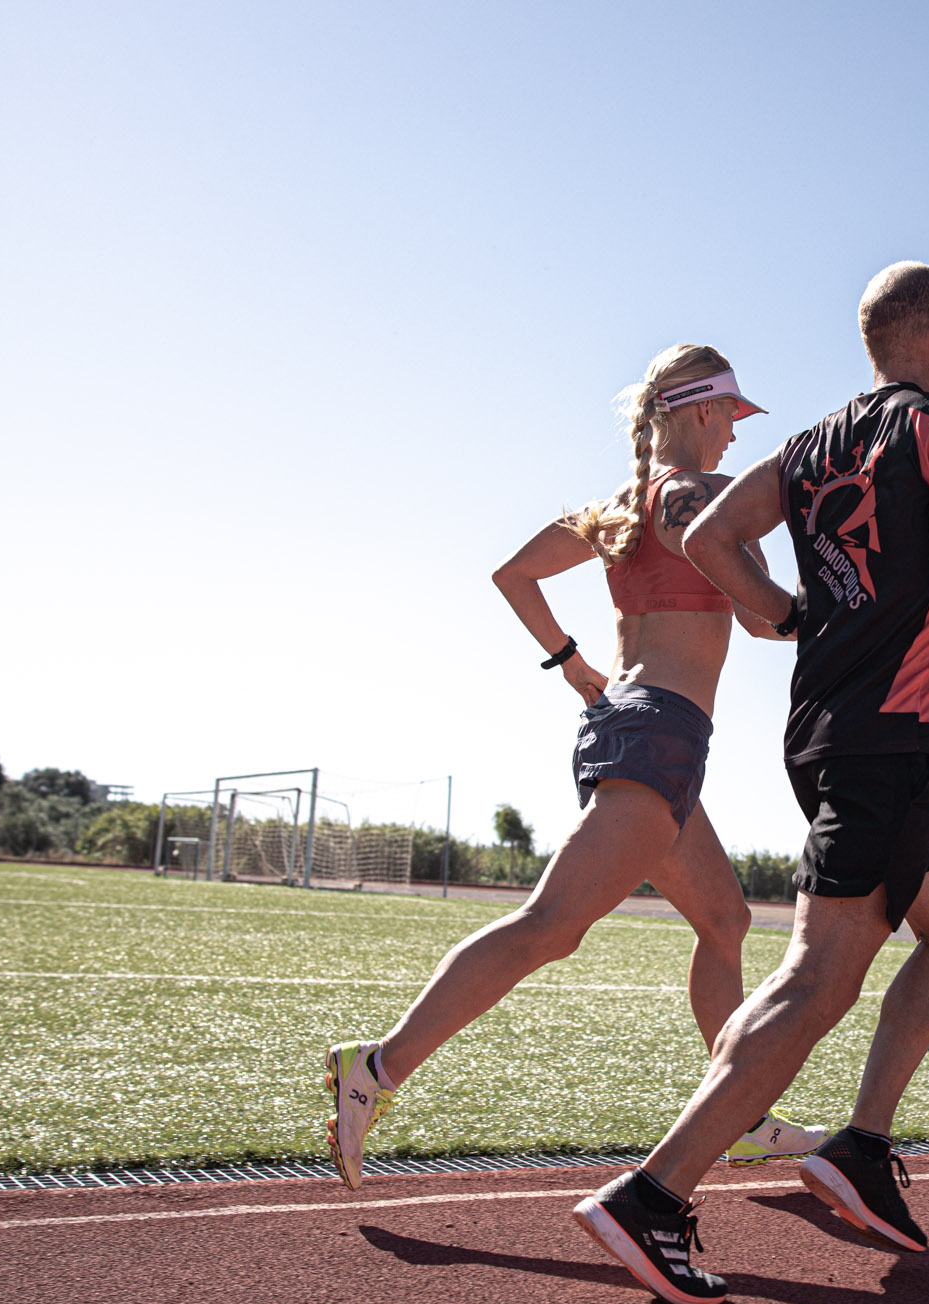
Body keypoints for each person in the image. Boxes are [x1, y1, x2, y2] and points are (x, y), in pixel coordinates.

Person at [571, 263, 929, 1304]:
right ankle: (652, 1195)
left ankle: (861, 1148)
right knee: (817, 980)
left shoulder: (809, 445)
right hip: (892, 739)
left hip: (828, 734)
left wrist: (783, 614)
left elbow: (710, 537)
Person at [322, 344, 829, 1190]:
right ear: (704, 410)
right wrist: (849, 606)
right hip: (656, 737)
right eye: (734, 417)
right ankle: (376, 1066)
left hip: (638, 731)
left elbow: (513, 574)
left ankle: (737, 1114)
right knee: (551, 926)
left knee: (725, 919)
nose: (737, 435)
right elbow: (764, 621)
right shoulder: (700, 498)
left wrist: (573, 665)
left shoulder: (622, 505)